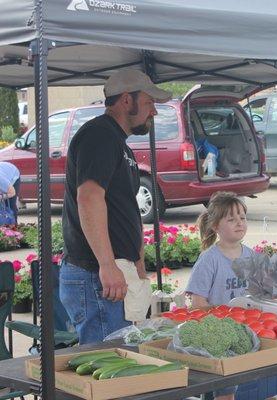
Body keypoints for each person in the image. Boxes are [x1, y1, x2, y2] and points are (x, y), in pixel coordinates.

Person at [59, 69, 171, 345]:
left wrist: (138, 262)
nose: (153, 112)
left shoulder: (119, 144)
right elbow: (89, 197)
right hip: (96, 275)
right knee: (107, 366)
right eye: (148, 103)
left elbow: (126, 209)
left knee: (118, 358)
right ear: (125, 101)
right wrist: (107, 265)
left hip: (111, 274)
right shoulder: (99, 136)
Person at [186, 191, 253, 400]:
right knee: (226, 391)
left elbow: (260, 293)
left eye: (242, 218)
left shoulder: (252, 255)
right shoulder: (209, 260)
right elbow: (197, 304)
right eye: (231, 219)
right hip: (220, 337)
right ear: (215, 226)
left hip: (248, 330)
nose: (239, 223)